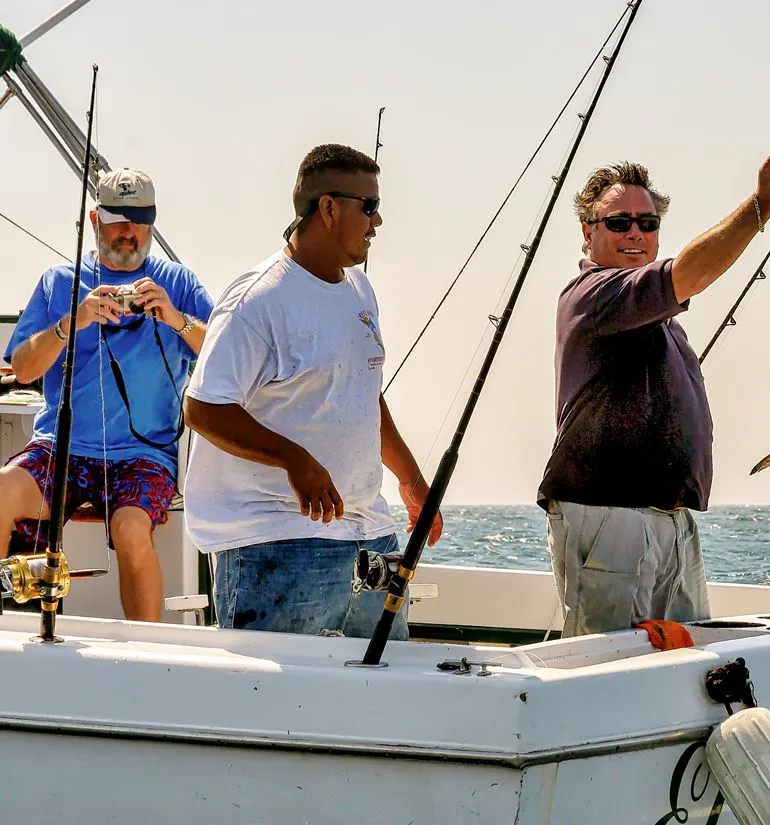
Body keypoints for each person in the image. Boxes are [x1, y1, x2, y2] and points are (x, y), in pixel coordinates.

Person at [183, 143, 442, 638]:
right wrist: (294, 459)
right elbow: (203, 408)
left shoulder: (360, 291)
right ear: (328, 208)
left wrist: (411, 481)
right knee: (276, 712)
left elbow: (364, 395)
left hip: (370, 536)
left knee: (381, 700)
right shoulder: (257, 300)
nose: (378, 221)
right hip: (277, 542)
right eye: (369, 207)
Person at [538, 149, 770, 637]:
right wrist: (761, 207)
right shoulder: (593, 294)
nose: (634, 232)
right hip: (610, 516)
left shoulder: (658, 319)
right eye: (617, 222)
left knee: (683, 665)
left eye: (647, 221)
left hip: (670, 520)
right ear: (587, 231)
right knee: (607, 673)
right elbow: (689, 274)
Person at [0, 167, 214, 621]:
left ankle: (148, 655)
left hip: (144, 454)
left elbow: (224, 351)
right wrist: (71, 321)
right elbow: (21, 368)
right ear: (95, 220)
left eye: (139, 220)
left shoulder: (178, 282)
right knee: (2, 492)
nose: (129, 232)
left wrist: (174, 318)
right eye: (118, 220)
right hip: (62, 446)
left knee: (132, 530)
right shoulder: (60, 282)